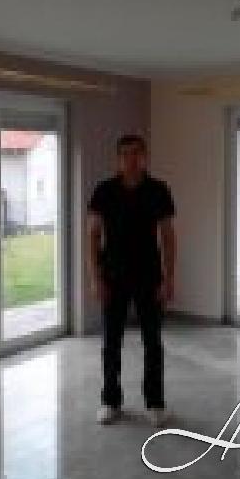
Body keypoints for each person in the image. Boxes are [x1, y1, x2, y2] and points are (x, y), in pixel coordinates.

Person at [86, 133, 176, 427]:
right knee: (111, 343)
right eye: (125, 154)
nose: (131, 159)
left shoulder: (158, 190)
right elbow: (93, 236)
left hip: (149, 276)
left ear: (145, 156)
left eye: (136, 153)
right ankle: (110, 401)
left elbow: (168, 237)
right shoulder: (104, 191)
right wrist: (95, 278)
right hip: (113, 276)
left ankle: (155, 403)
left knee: (153, 343)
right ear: (118, 159)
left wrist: (169, 278)